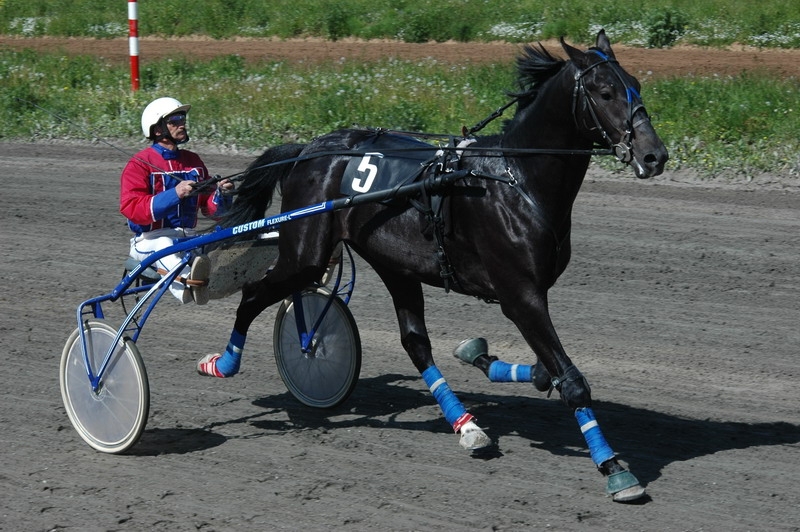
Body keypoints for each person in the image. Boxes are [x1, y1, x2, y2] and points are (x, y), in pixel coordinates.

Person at [120, 97, 233, 305]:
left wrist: (222, 195)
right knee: (164, 243)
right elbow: (132, 209)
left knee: (223, 236)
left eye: (183, 119)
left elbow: (211, 209)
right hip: (150, 240)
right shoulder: (139, 164)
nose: (182, 124)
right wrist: (175, 194)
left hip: (189, 239)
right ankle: (190, 285)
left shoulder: (193, 162)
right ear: (157, 130)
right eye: (174, 121)